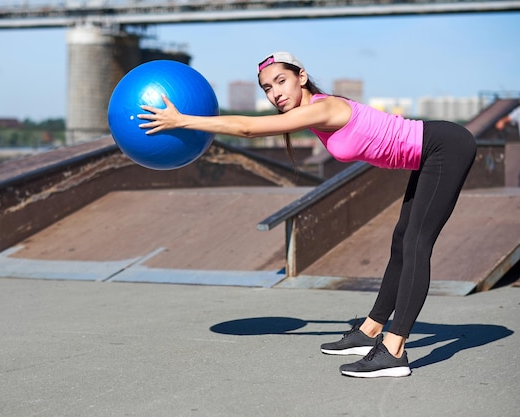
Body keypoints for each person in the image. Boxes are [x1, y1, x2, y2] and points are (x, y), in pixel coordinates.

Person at [138, 51, 477, 378]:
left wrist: (181, 120)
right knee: (402, 241)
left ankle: (394, 350)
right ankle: (371, 330)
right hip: (428, 153)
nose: (275, 93)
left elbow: (248, 129)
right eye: (267, 88)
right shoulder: (314, 110)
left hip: (444, 147)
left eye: (281, 81)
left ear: (302, 77)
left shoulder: (324, 108)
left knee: (417, 243)